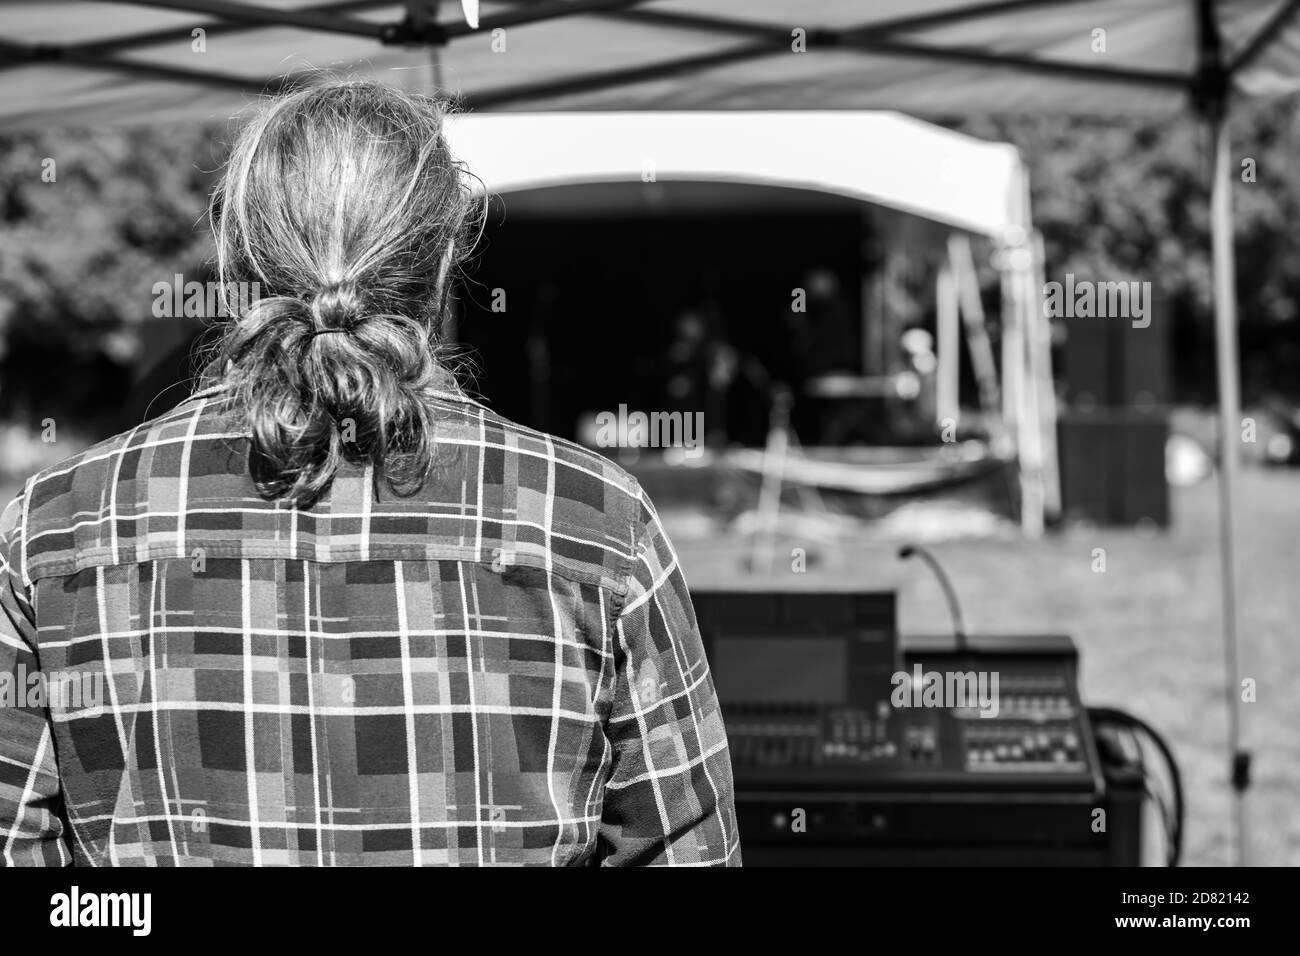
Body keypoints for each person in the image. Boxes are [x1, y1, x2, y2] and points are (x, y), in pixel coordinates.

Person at [0, 79, 739, 867]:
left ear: (230, 249)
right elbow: (686, 850)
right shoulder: (593, 523)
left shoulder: (58, 525)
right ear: (450, 253)